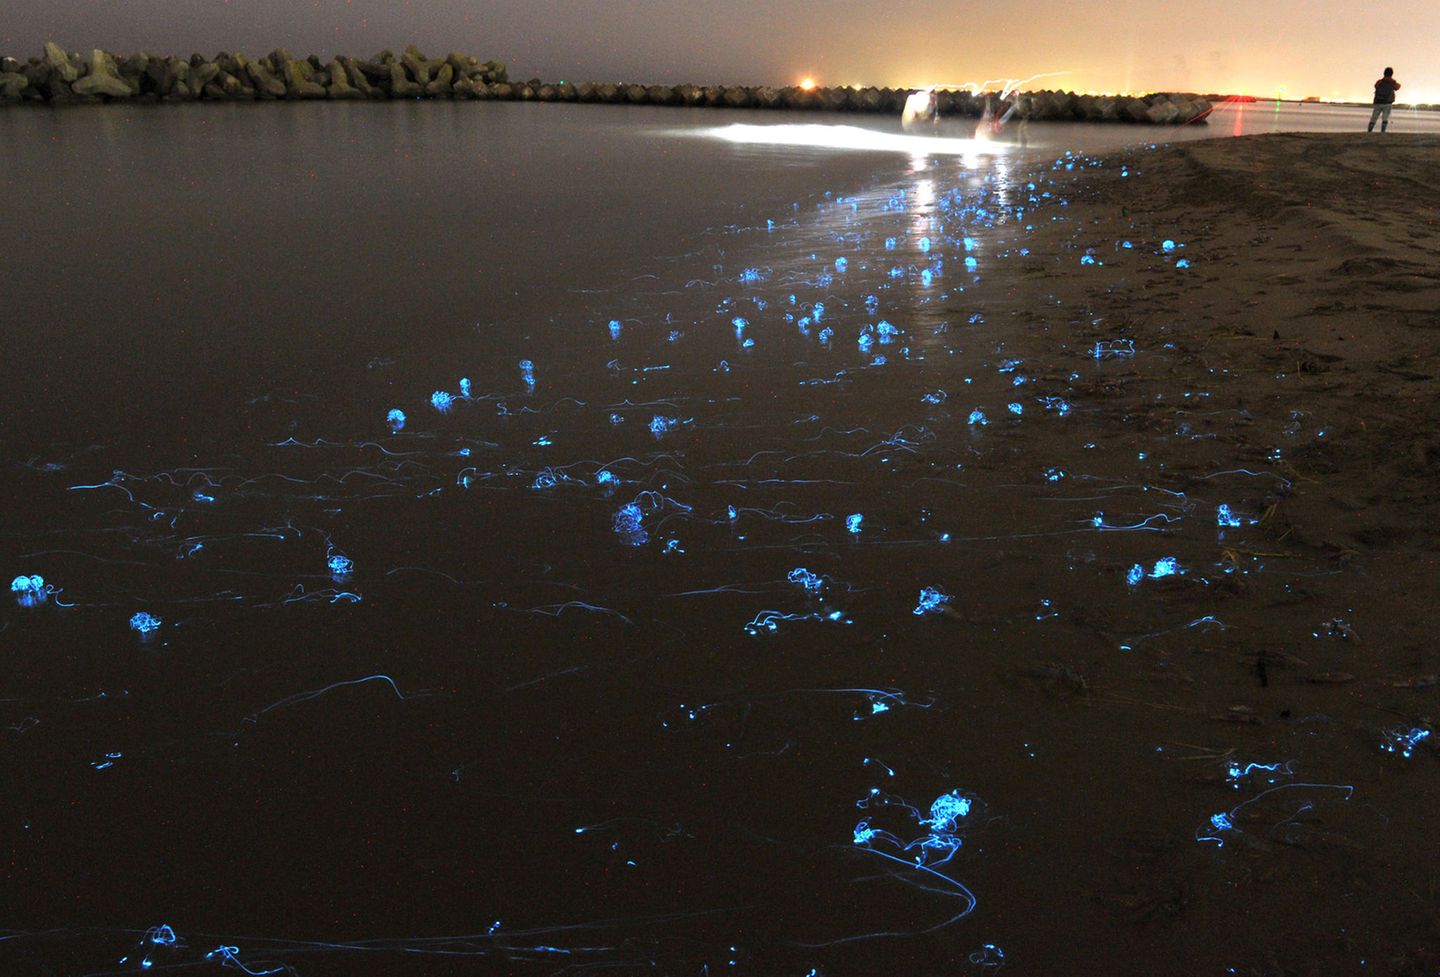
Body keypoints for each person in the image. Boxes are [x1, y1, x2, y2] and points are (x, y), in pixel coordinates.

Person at [1368, 67, 1401, 132]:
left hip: (1378, 102)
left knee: (1374, 117)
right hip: (1387, 103)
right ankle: (1383, 131)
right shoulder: (1392, 82)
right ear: (1392, 74)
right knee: (1385, 118)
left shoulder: (1379, 81)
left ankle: (1370, 130)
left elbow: (1375, 86)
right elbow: (1397, 87)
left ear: (1384, 73)